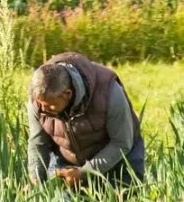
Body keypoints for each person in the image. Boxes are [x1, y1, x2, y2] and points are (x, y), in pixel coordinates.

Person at [27, 52, 146, 188]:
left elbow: (121, 143)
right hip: (68, 158)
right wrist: (36, 179)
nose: (42, 109)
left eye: (48, 106)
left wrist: (85, 172)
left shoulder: (109, 92)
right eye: (39, 104)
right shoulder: (39, 99)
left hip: (119, 154)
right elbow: (38, 143)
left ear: (67, 94)